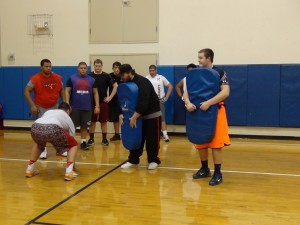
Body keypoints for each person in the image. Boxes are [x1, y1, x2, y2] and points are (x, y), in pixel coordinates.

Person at [183, 48, 230, 186]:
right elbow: (186, 92)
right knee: (200, 141)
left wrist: (209, 103)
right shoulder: (195, 74)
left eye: (201, 58)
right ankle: (204, 169)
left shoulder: (220, 73)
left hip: (215, 111)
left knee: (215, 144)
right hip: (197, 111)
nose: (198, 60)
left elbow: (226, 92)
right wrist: (188, 103)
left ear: (209, 59)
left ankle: (217, 173)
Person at [119, 64, 162, 170]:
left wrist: (134, 117)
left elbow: (144, 102)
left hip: (151, 114)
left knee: (152, 138)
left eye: (123, 75)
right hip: (137, 116)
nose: (122, 77)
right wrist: (121, 114)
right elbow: (123, 99)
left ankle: (153, 160)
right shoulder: (126, 83)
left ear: (129, 72)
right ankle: (133, 160)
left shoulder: (143, 82)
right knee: (136, 137)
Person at [25, 102, 78, 181]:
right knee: (74, 145)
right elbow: (71, 140)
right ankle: (69, 172)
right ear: (68, 110)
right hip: (53, 128)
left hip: (35, 127)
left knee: (39, 144)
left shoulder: (49, 112)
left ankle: (29, 170)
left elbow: (44, 126)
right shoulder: (67, 117)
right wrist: (72, 164)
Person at [24, 59, 66, 159]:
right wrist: (32, 105)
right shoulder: (35, 78)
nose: (48, 68)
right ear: (41, 67)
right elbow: (26, 91)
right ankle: (43, 150)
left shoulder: (57, 78)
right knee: (42, 130)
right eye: (46, 66)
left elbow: (62, 91)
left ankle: (59, 149)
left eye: (50, 66)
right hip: (41, 107)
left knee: (57, 129)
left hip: (54, 107)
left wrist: (64, 104)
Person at [65, 62, 100, 150]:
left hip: (87, 107)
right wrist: (67, 104)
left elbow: (95, 93)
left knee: (85, 126)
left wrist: (97, 106)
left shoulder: (92, 80)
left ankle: (83, 142)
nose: (83, 69)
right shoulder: (72, 78)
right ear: (78, 68)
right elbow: (67, 91)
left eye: (84, 68)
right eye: (81, 68)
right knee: (72, 125)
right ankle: (70, 142)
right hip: (75, 107)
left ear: (87, 69)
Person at [87, 59, 118, 146]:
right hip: (91, 103)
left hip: (103, 102)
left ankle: (104, 139)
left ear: (102, 66)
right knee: (92, 121)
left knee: (103, 121)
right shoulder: (89, 76)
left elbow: (115, 86)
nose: (97, 67)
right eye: (96, 66)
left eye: (99, 66)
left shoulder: (106, 76)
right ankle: (91, 139)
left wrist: (110, 97)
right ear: (94, 66)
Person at [146, 65, 173, 142]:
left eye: (153, 70)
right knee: (150, 119)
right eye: (150, 70)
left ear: (156, 71)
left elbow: (170, 86)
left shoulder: (161, 77)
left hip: (160, 101)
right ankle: (151, 136)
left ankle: (165, 135)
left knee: (162, 118)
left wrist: (166, 97)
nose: (151, 72)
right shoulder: (146, 78)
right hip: (150, 102)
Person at [108, 61, 122, 141]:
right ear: (113, 68)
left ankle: (125, 133)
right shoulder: (109, 76)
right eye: (115, 67)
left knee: (123, 117)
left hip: (122, 100)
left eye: (118, 67)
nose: (117, 69)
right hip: (113, 100)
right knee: (115, 118)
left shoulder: (123, 76)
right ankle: (117, 134)